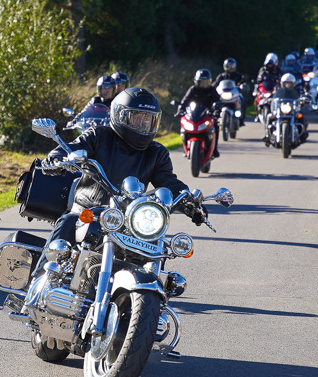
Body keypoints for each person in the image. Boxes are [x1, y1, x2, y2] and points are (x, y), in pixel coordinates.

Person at [33, 87, 203, 274]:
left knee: (155, 239)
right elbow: (73, 147)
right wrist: (58, 157)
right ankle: (40, 279)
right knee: (67, 221)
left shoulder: (156, 152)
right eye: (137, 117)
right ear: (120, 116)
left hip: (129, 219)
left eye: (148, 119)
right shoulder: (98, 136)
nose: (143, 123)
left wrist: (189, 202)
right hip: (88, 211)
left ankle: (155, 290)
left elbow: (169, 182)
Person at [177, 69, 222, 158]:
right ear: (196, 81)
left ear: (210, 82)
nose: (203, 85)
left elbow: (218, 101)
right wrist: (180, 110)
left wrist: (217, 111)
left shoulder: (212, 90)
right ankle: (185, 148)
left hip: (208, 115)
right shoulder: (193, 89)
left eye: (205, 82)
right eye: (201, 82)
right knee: (184, 128)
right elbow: (185, 101)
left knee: (215, 127)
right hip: (194, 115)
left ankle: (214, 149)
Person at [215, 57, 249, 126]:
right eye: (228, 66)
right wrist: (213, 87)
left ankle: (241, 119)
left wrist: (243, 84)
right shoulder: (222, 76)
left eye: (231, 66)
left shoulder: (239, 75)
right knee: (215, 102)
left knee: (243, 100)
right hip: (224, 94)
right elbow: (216, 83)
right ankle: (216, 116)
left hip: (235, 94)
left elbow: (243, 81)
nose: (230, 68)